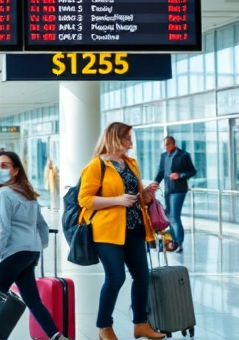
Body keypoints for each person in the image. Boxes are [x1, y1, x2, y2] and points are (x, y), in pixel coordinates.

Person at [78, 122, 164, 340]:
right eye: (127, 138)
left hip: (134, 228)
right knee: (115, 278)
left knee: (142, 277)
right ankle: (104, 326)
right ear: (115, 138)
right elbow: (85, 200)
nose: (130, 142)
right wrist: (116, 200)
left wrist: (145, 194)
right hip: (107, 231)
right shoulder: (97, 165)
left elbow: (135, 198)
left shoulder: (131, 164)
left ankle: (141, 324)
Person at [0, 151, 67, 340]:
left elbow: (3, 230)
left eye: (5, 166)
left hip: (14, 254)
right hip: (30, 254)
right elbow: (42, 225)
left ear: (15, 170)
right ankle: (56, 336)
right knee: (33, 301)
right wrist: (38, 245)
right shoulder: (27, 193)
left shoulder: (4, 193)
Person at [154, 136, 197, 253]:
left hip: (179, 190)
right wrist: (155, 184)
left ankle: (178, 242)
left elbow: (192, 171)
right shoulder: (164, 156)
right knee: (169, 216)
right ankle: (173, 241)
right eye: (165, 145)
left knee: (175, 216)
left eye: (168, 144)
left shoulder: (184, 155)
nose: (166, 147)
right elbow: (161, 172)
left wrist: (180, 175)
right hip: (168, 189)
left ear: (174, 144)